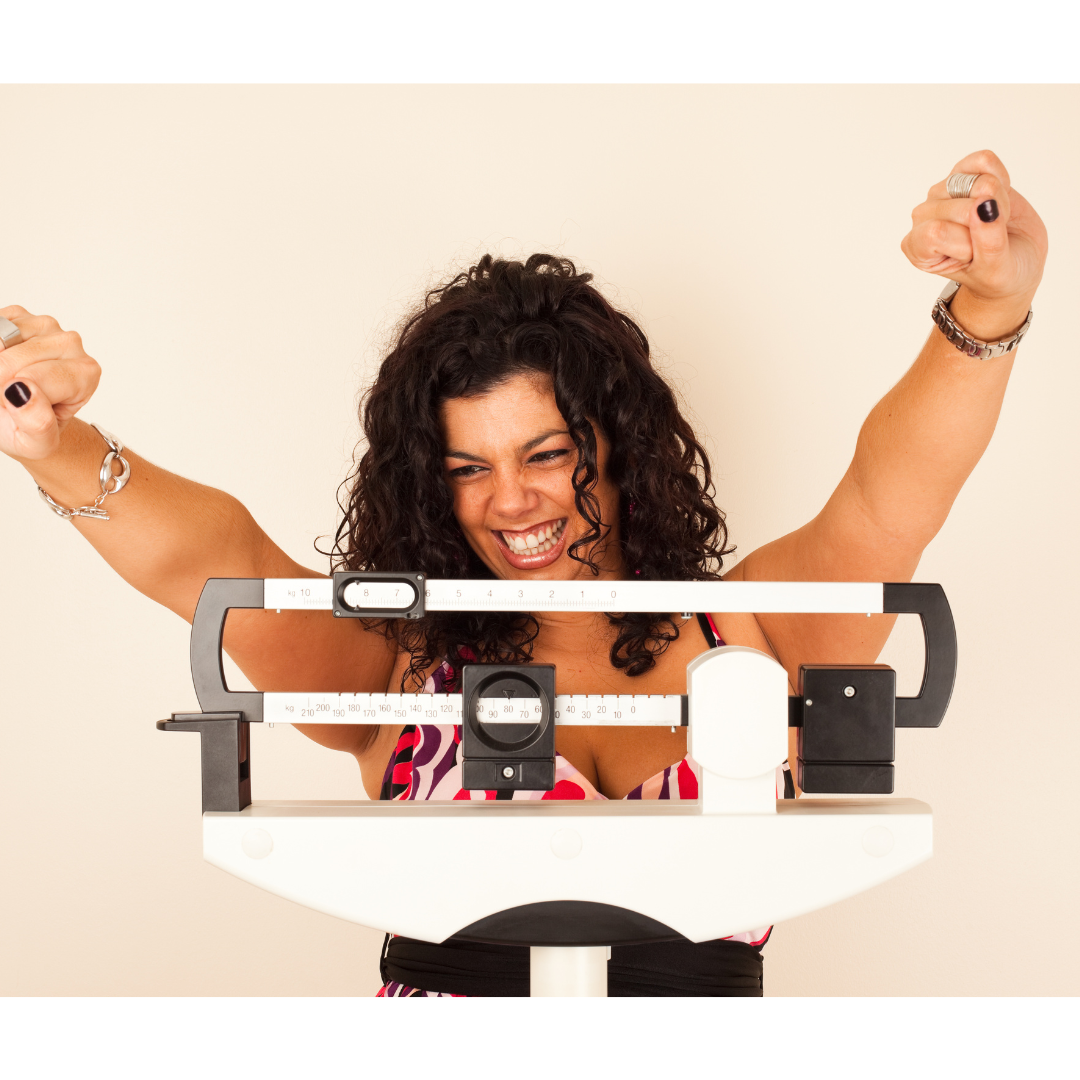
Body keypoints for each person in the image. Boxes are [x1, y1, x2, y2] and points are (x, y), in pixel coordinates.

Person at [0, 150, 1046, 995]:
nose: (511, 501)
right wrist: (52, 438)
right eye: (469, 469)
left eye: (546, 454)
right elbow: (218, 556)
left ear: (619, 447)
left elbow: (888, 495)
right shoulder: (398, 662)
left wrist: (987, 309)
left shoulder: (758, 634)